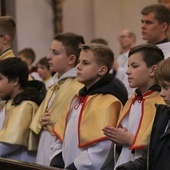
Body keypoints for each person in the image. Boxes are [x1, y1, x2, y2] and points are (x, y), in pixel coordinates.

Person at [49, 43, 128, 170]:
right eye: (79, 61)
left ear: (102, 70)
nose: (78, 67)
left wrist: (75, 167)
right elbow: (61, 136)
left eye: (85, 63)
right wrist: (57, 160)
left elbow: (103, 148)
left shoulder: (109, 102)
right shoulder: (78, 98)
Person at [102, 44, 165, 170]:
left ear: (153, 70)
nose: (127, 71)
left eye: (134, 66)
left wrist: (131, 140)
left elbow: (162, 148)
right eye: (128, 66)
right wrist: (118, 139)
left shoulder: (162, 103)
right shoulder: (131, 100)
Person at [30, 32, 85, 166]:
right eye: (50, 51)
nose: (49, 57)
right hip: (46, 140)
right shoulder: (56, 83)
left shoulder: (79, 86)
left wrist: (55, 120)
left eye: (55, 53)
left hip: (61, 145)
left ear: (71, 59)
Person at [116, 57, 170, 170]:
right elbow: (150, 157)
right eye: (160, 87)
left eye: (166, 87)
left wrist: (132, 140)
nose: (162, 94)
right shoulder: (164, 116)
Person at [0, 57, 46, 163]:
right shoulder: (9, 102)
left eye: (0, 79)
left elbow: (10, 143)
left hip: (18, 162)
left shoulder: (25, 105)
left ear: (15, 80)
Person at [115, 29, 136, 97]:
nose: (120, 39)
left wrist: (117, 68)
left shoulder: (136, 55)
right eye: (119, 37)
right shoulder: (120, 57)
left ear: (132, 38)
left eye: (123, 37)